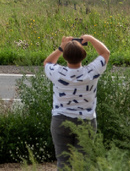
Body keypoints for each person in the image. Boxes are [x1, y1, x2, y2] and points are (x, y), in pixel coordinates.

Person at [44, 33, 111, 170]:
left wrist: (60, 48)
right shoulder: (91, 72)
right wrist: (91, 39)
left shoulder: (57, 73)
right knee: (83, 163)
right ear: (84, 55)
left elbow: (48, 62)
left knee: (63, 162)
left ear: (64, 56)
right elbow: (105, 53)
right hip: (86, 121)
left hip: (60, 119)